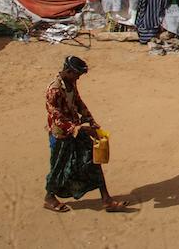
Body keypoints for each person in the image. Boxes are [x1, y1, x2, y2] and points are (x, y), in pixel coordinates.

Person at [44, 56, 127, 213]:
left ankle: (106, 200)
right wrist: (79, 129)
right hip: (61, 135)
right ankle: (49, 197)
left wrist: (90, 119)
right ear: (68, 72)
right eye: (77, 75)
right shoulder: (53, 90)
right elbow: (56, 116)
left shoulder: (70, 82)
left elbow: (78, 101)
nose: (78, 78)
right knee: (58, 168)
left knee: (94, 160)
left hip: (76, 130)